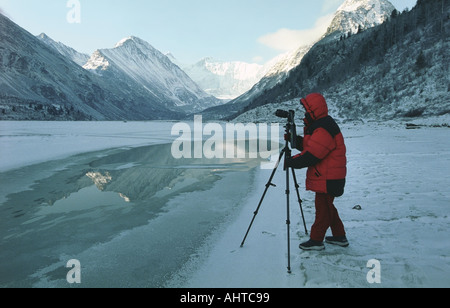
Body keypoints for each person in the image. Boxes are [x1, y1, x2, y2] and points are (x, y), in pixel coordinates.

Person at [285, 93, 348, 251]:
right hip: (329, 175)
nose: (305, 114)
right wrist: (295, 140)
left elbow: (312, 156)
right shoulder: (321, 126)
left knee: (323, 209)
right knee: (327, 207)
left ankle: (316, 240)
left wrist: (291, 162)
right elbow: (311, 146)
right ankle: (340, 237)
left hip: (329, 177)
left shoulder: (323, 129)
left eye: (307, 111)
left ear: (314, 110)